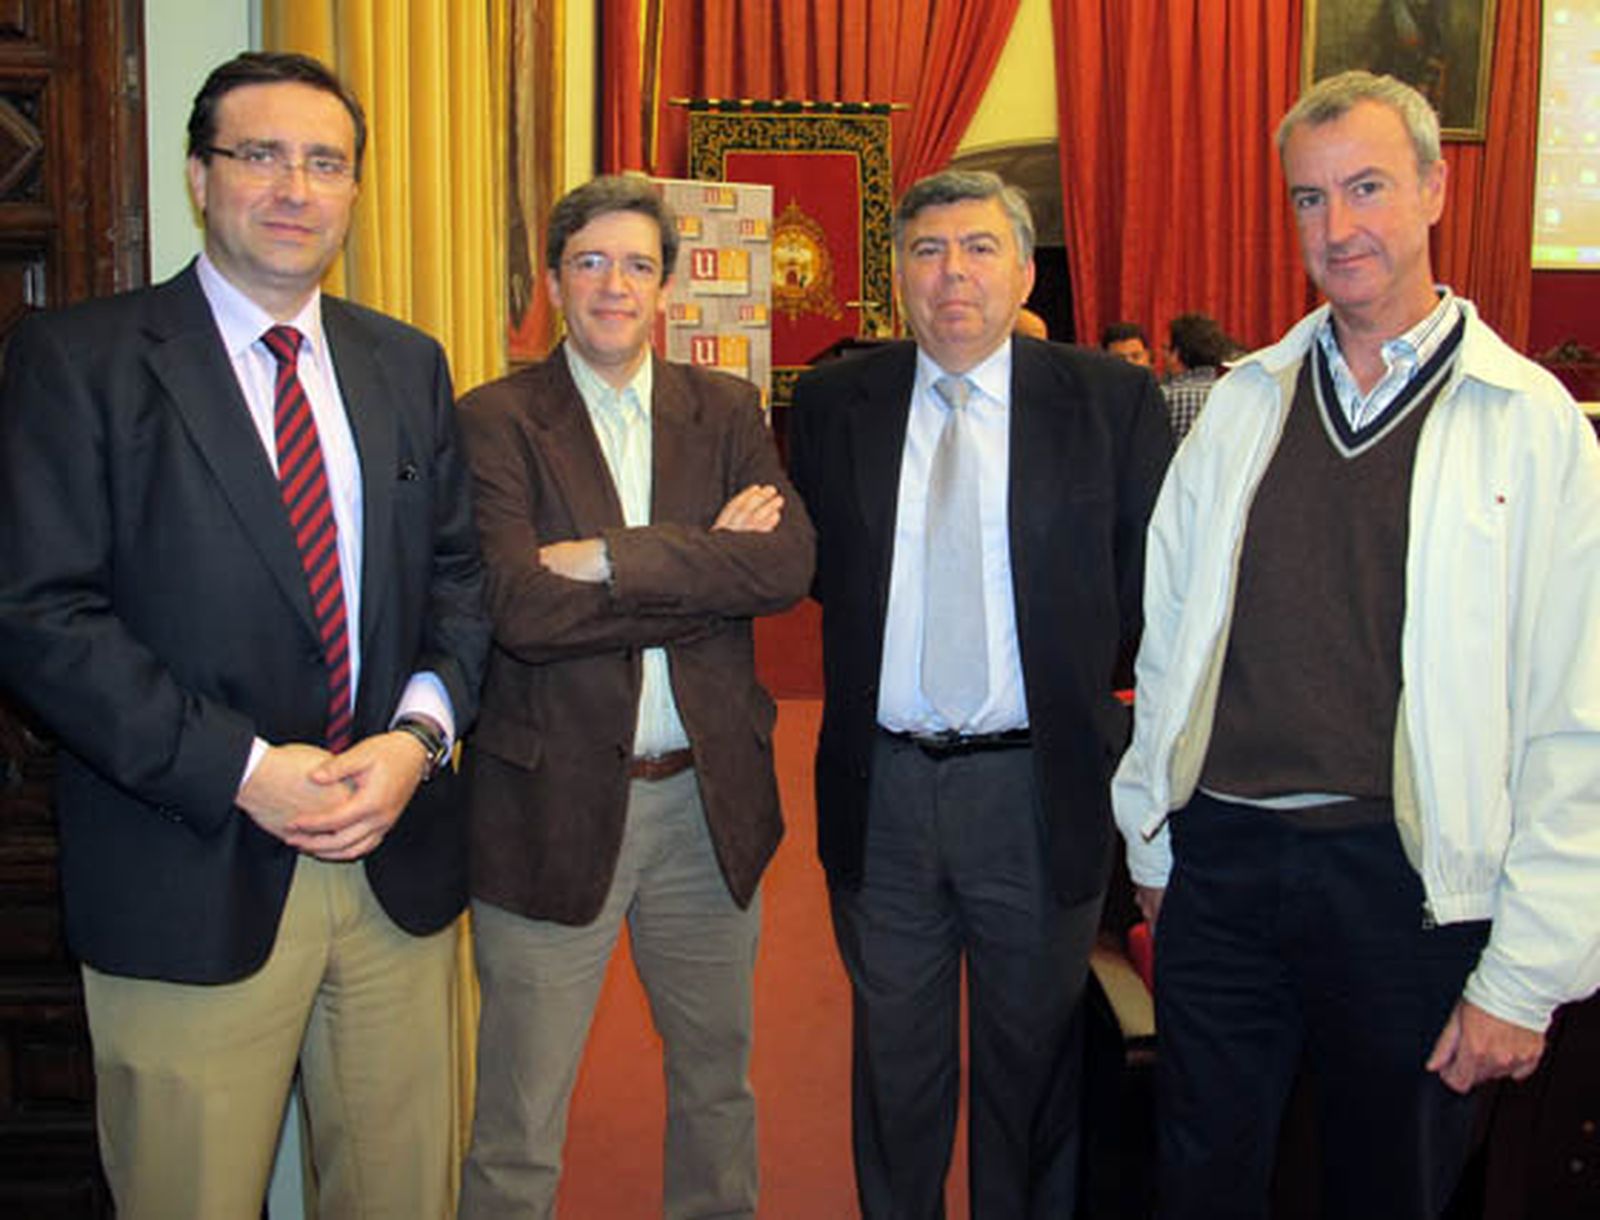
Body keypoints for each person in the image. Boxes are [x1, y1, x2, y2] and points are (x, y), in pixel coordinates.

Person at [0, 51, 490, 1218]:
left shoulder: (405, 362)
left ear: (353, 191)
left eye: (324, 162)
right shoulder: (80, 360)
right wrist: (248, 771)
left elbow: (461, 582)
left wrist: (417, 739)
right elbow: (38, 614)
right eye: (258, 154)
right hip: (187, 864)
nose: (293, 187)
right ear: (197, 176)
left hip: (393, 870)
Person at [1113, 70, 1600, 1220]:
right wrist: (1152, 838)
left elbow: (1575, 715)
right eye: (1307, 198)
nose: (1337, 227)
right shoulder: (1243, 405)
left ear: (1434, 187)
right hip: (1222, 864)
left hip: (1407, 887)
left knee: (1389, 1186)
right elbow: (1171, 635)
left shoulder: (1530, 428)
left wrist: (1526, 974)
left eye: (1367, 186)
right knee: (1199, 1177)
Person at [788, 169, 1172, 1218]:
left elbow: (1146, 592)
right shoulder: (832, 405)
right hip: (888, 789)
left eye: (978, 247)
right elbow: (817, 569)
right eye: (925, 250)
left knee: (1032, 1066)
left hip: (1036, 790)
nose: (951, 272)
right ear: (898, 277)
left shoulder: (1106, 401)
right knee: (896, 1069)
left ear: (1020, 265)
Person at [455, 174, 814, 1220]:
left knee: (717, 1089)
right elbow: (517, 607)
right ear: (556, 282)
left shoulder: (726, 408)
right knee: (518, 1121)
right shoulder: (495, 418)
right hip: (547, 806)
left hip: (708, 807)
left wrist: (608, 560)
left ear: (665, 286)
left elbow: (785, 566)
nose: (616, 285)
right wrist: (702, 573)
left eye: (639, 265)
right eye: (592, 262)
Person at [1162, 312, 1232, 441]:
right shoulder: (1233, 396)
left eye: (1164, 348)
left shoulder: (1164, 397)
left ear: (1176, 354)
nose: (1161, 355)